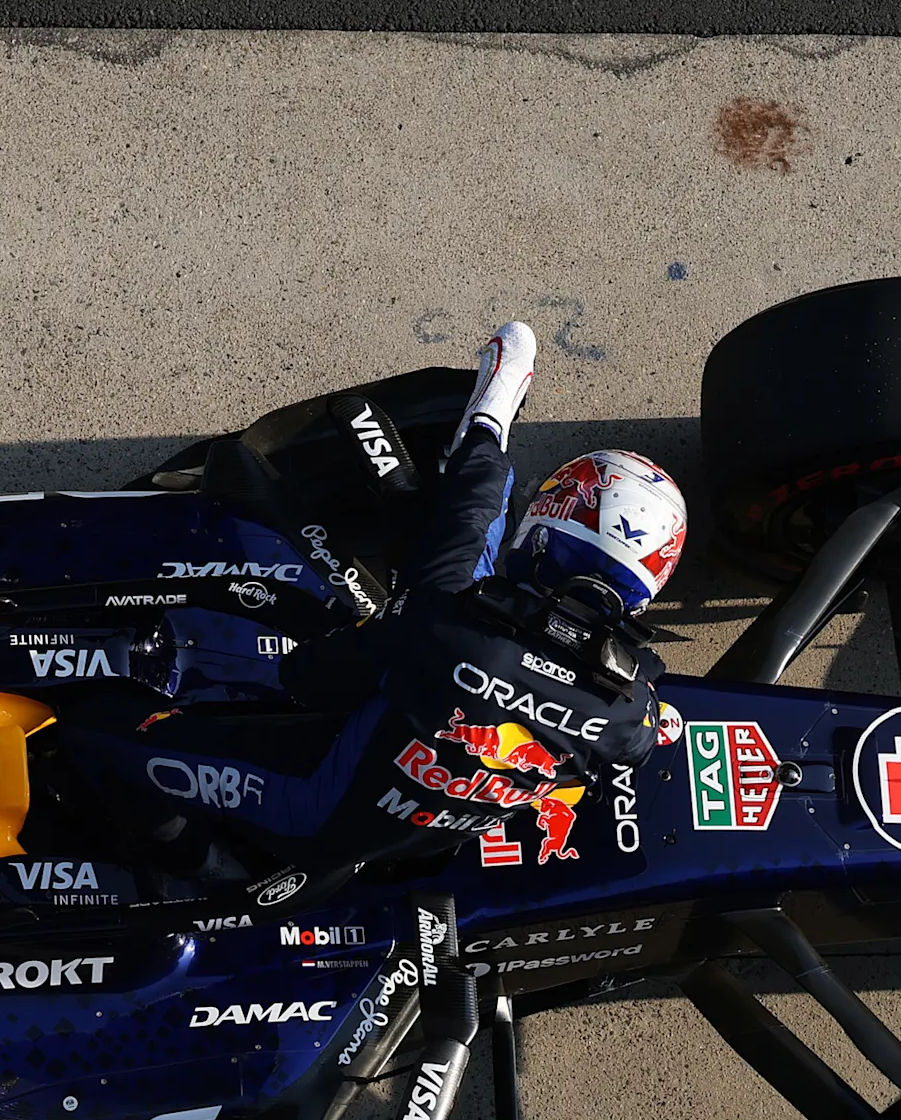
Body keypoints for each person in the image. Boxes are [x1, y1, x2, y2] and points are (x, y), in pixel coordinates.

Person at [80, 321, 688, 895]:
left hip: (313, 812)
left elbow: (310, 677)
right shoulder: (630, 707)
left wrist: (492, 417)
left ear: (543, 535)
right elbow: (642, 731)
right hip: (417, 835)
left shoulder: (451, 617)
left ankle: (207, 874)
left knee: (94, 738)